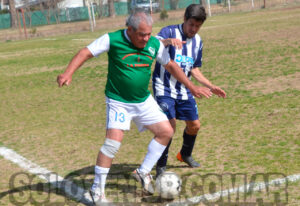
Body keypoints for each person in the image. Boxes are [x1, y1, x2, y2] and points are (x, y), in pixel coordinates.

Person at [57, 9, 212, 205]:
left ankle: (143, 171)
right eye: (142, 34)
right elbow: (85, 52)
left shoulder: (154, 44)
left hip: (143, 100)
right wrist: (68, 73)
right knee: (112, 144)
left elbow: (171, 65)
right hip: (118, 101)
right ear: (129, 30)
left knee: (166, 131)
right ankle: (97, 190)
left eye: (149, 33)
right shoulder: (112, 39)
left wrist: (192, 86)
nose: (146, 38)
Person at [152, 4, 227, 177]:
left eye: (197, 26)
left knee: (194, 126)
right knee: (168, 128)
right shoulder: (169, 31)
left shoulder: (198, 41)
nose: (193, 29)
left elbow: (193, 69)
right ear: (184, 19)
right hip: (164, 88)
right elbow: (153, 44)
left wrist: (210, 86)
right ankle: (161, 165)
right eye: (191, 24)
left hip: (185, 90)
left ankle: (184, 154)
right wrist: (167, 42)